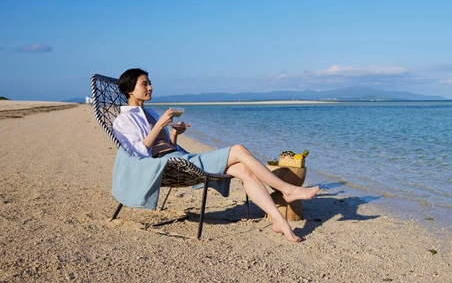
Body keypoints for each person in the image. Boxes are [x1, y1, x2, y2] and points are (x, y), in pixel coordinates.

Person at [112, 68, 319, 242]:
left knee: (245, 170)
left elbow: (167, 146)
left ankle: (279, 221)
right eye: (144, 84)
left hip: (178, 159)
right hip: (164, 165)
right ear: (130, 90)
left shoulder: (150, 113)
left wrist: (174, 133)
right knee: (238, 149)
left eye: (150, 83)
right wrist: (158, 126)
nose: (150, 88)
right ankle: (287, 190)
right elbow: (139, 152)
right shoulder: (123, 120)